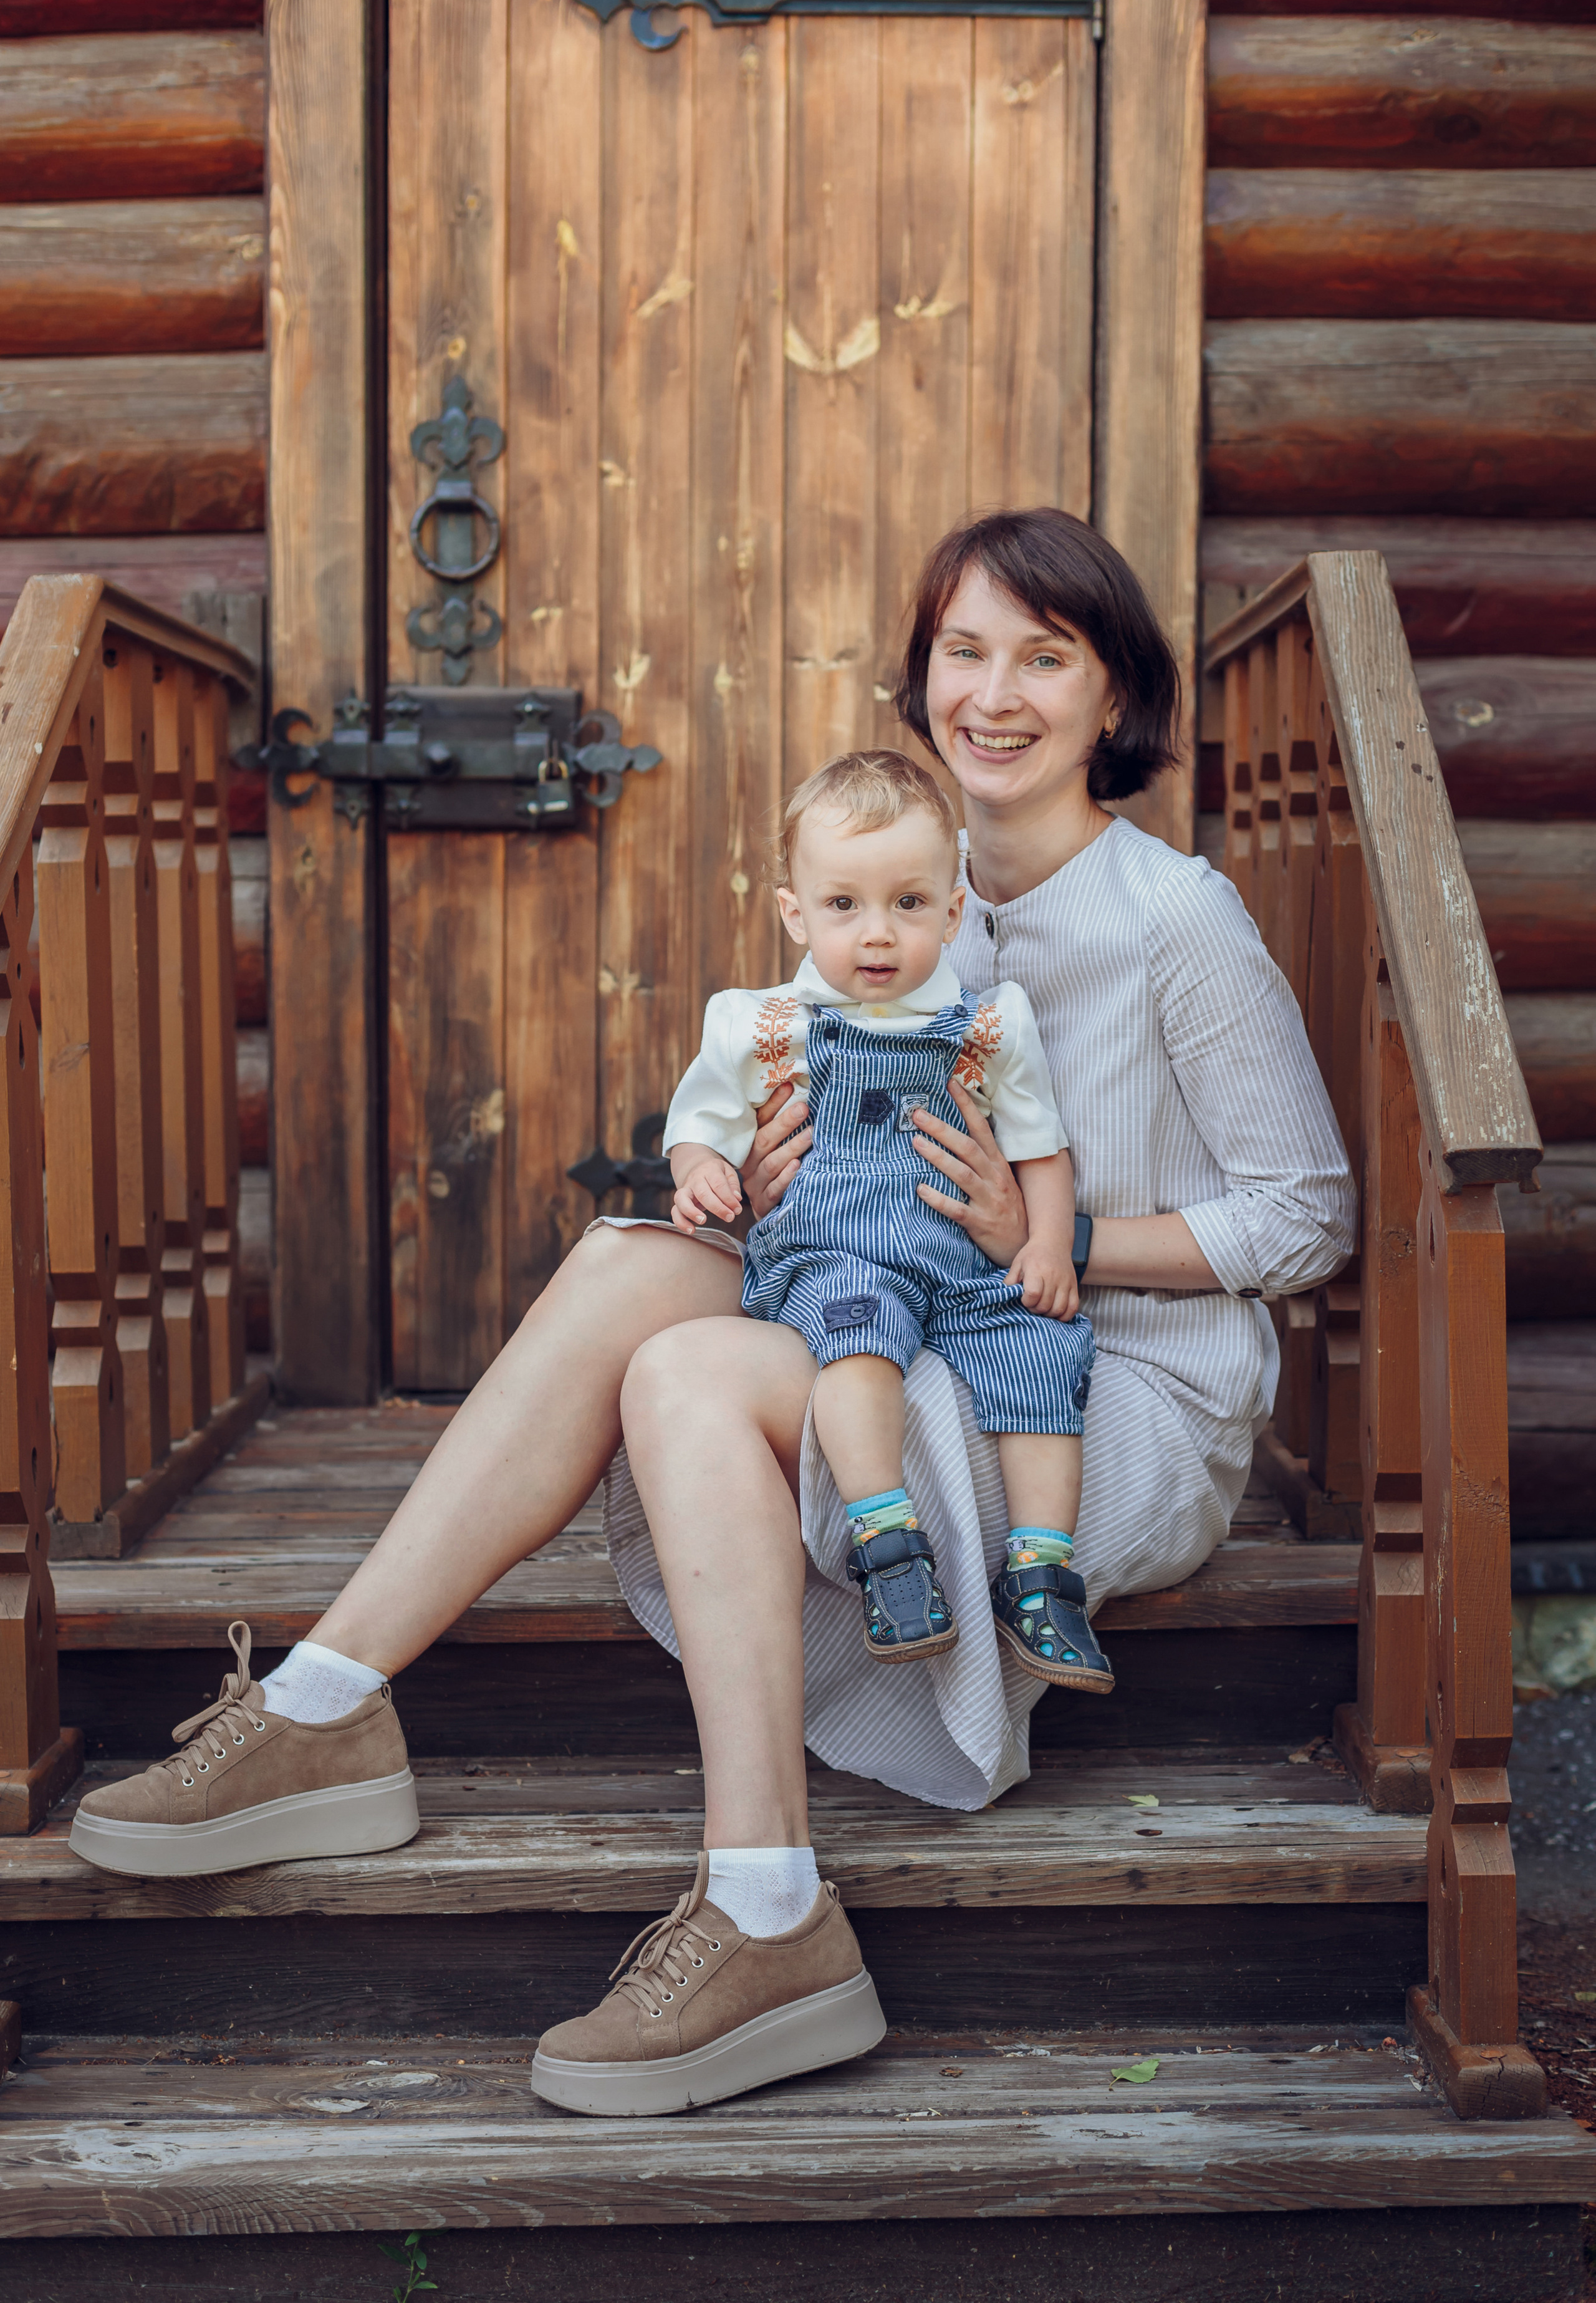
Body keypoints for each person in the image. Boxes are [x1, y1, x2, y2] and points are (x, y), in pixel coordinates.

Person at [67, 507, 1356, 2121]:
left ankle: (764, 1910)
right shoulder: (883, 895)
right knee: (631, 1269)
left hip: (1103, 1392)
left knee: (685, 1378)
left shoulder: (1177, 919)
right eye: (966, 650)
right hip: (909, 1324)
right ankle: (327, 1706)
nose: (997, 692)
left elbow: (1306, 1217)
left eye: (1048, 656)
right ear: (920, 674)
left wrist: (1058, 1231)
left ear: (1118, 699)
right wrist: (758, 1175)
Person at [667, 747, 1105, 1687]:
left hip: (962, 1261)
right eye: (843, 905)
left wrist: (1047, 1245)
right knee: (857, 1345)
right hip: (838, 1255)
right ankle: (888, 1543)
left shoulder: (992, 1025)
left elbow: (1041, 1149)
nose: (877, 934)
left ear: (952, 912)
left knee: (1044, 1347)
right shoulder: (765, 1024)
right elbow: (699, 1122)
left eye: (908, 903)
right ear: (795, 912)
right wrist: (704, 1170)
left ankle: (1041, 1572)